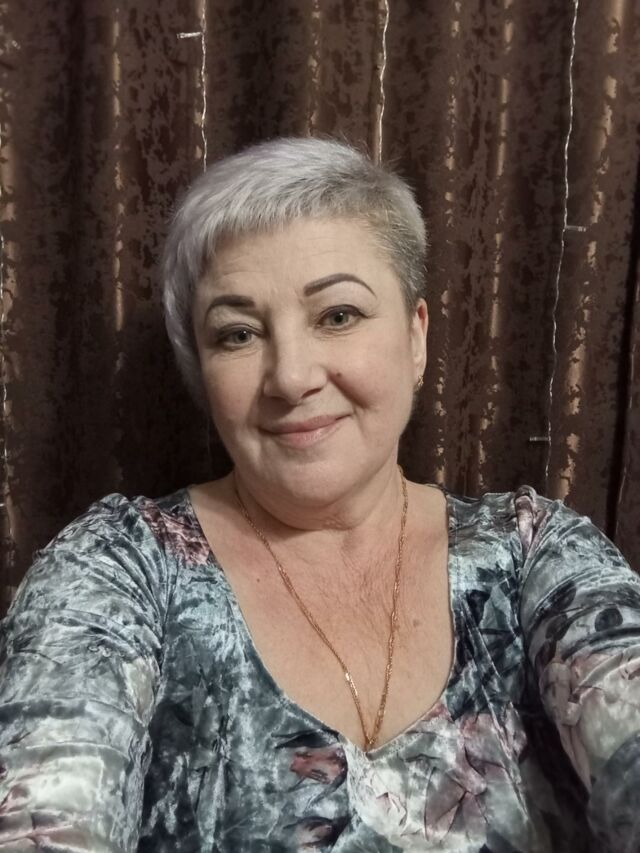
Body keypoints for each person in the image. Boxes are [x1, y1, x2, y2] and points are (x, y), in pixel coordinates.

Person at [0, 137, 639, 853]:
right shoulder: (117, 570)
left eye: (337, 315)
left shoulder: (533, 551)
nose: (291, 377)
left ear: (416, 337)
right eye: (238, 333)